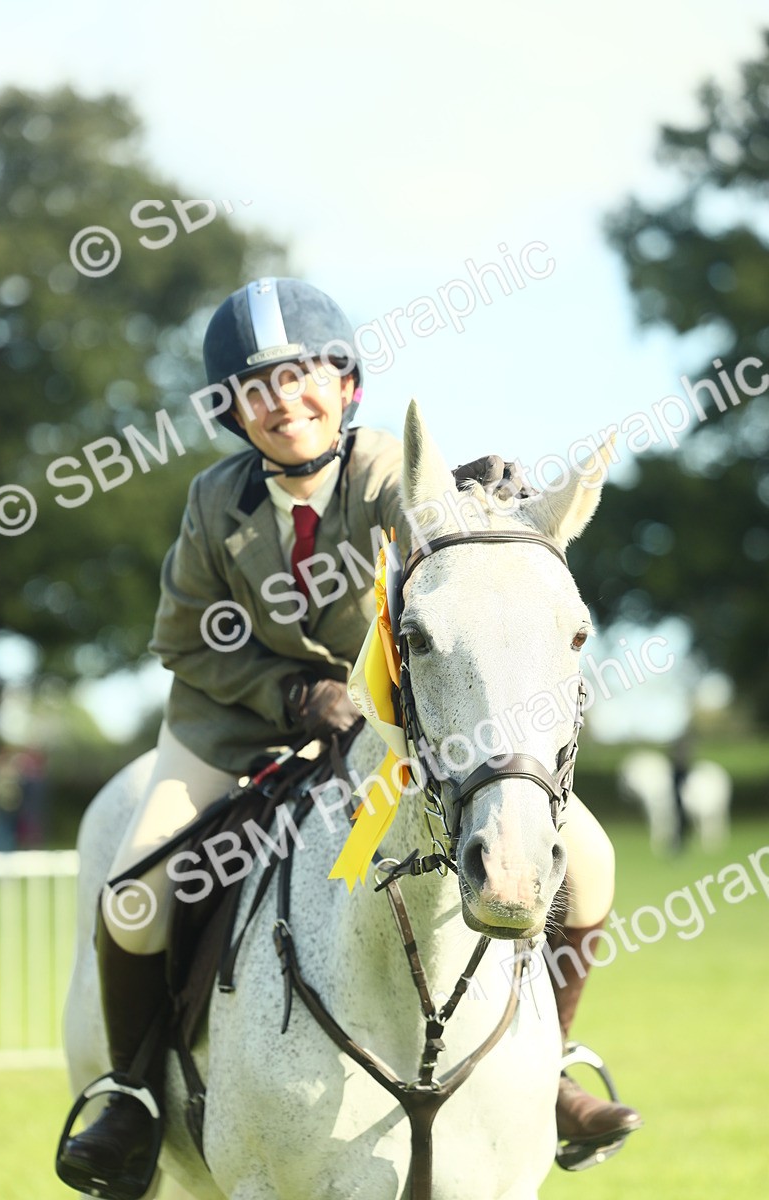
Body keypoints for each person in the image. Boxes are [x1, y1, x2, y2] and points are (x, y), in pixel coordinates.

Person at [57, 277, 640, 1198]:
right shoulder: (215, 503)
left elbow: (456, 554)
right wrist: (292, 694)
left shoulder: (386, 477)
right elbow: (179, 643)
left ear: (344, 384)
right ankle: (131, 1093)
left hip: (380, 731)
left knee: (594, 861)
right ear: (231, 411)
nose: (282, 400)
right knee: (136, 893)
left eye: (300, 376)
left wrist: (494, 487)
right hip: (229, 729)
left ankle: (556, 1069)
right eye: (256, 388)